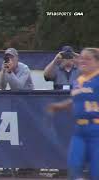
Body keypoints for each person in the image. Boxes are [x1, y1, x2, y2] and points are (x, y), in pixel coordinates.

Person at [47, 48, 99, 180]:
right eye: (81, 58)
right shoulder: (79, 80)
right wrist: (60, 106)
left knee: (96, 172)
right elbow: (78, 99)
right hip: (79, 131)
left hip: (96, 131)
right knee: (74, 167)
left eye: (88, 58)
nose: (83, 61)